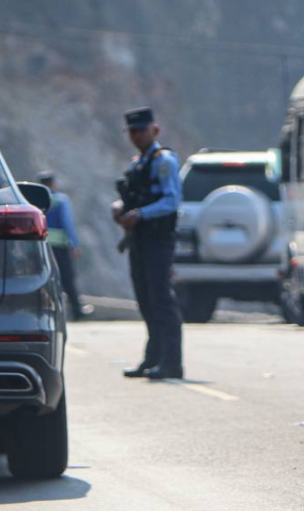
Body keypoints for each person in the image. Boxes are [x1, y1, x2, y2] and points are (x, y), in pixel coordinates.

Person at [112, 108, 184, 380]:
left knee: (161, 298)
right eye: (132, 131)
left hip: (158, 238)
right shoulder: (137, 163)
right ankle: (153, 358)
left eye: (141, 130)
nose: (136, 135)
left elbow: (170, 200)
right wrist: (120, 208)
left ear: (154, 130)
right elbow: (134, 198)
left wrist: (140, 214)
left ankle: (171, 362)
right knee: (145, 298)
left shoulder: (163, 160)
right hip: (139, 238)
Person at [38, 171, 92, 320]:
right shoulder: (60, 200)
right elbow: (68, 223)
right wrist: (75, 244)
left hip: (43, 245)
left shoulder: (36, 200)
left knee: (48, 277)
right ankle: (77, 311)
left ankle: (52, 311)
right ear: (53, 183)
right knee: (67, 278)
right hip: (60, 245)